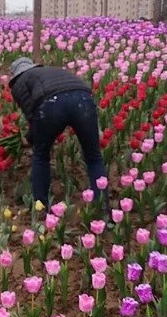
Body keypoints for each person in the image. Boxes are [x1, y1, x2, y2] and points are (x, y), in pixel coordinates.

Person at [8, 57, 107, 206]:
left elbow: (32, 115)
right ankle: (101, 207)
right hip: (84, 100)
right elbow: (79, 92)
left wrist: (29, 139)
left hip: (51, 104)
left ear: (16, 74)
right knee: (94, 157)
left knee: (41, 155)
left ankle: (41, 205)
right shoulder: (54, 71)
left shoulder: (20, 83)